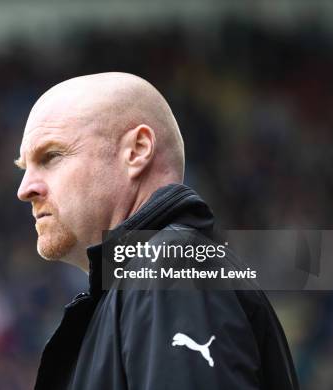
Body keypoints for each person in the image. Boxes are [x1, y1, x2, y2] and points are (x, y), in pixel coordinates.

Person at [15, 72, 299, 389]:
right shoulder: (148, 276)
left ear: (137, 151)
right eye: (25, 167)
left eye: (51, 156)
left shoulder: (171, 268)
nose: (25, 189)